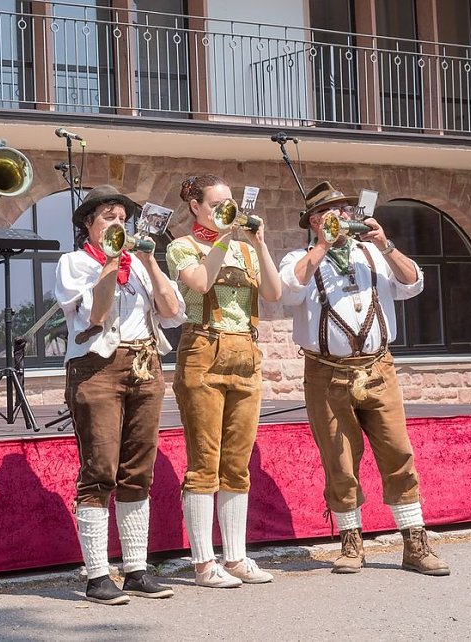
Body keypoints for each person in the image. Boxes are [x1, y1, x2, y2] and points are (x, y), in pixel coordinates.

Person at [278, 180, 450, 576]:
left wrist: (385, 244)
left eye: (343, 210)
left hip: (378, 368)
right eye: (329, 212)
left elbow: (413, 283)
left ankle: (415, 543)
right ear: (314, 221)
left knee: (398, 454)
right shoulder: (298, 257)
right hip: (326, 373)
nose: (339, 216)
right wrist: (322, 246)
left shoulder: (372, 253)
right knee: (339, 461)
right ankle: (351, 544)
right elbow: (286, 292)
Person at [55, 185, 186, 605]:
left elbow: (171, 312)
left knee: (138, 469)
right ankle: (96, 575)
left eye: (122, 218)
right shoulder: (74, 263)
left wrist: (148, 258)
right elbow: (96, 314)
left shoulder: (141, 264)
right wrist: (112, 260)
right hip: (97, 369)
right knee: (100, 469)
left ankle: (136, 568)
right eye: (108, 217)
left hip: (145, 365)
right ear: (88, 225)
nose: (118, 223)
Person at [166, 174, 281, 588]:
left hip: (245, 352)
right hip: (203, 348)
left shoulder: (245, 250)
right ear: (195, 206)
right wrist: (222, 237)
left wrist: (260, 243)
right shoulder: (183, 245)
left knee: (237, 461)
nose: (225, 210)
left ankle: (236, 557)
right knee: (204, 461)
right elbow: (201, 282)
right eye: (217, 204)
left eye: (229, 202)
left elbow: (273, 292)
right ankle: (202, 563)